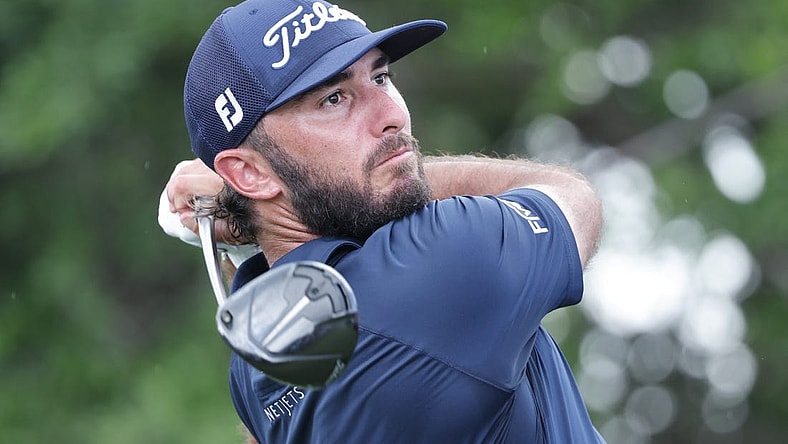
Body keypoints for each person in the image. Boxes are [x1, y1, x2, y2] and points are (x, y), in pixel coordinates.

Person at [161, 0, 606, 442]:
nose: (391, 115)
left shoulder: (253, 366)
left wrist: (248, 219)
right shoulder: (444, 260)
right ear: (250, 172)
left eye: (381, 77)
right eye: (334, 99)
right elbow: (572, 199)